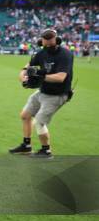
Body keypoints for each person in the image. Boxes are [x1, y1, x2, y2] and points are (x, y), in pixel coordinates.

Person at [9, 29, 74, 158]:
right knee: (25, 115)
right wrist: (23, 76)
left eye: (51, 38)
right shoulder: (40, 53)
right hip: (43, 91)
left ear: (56, 39)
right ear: (41, 40)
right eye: (46, 38)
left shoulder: (65, 54)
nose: (48, 40)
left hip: (58, 94)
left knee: (39, 122)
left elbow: (61, 77)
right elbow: (27, 68)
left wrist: (39, 75)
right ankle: (26, 146)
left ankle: (46, 151)